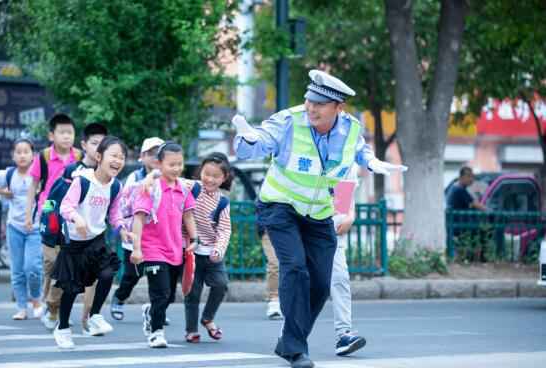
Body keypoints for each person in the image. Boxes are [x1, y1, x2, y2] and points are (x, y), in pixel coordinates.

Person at [231, 69, 407, 368]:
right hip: (280, 206)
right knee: (296, 269)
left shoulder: (350, 128)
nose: (311, 107)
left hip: (318, 213)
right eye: (309, 100)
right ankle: (296, 350)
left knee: (322, 284)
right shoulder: (289, 121)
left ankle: (289, 341)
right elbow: (261, 141)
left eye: (320, 104)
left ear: (338, 107)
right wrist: (248, 139)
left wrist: (372, 162)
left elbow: (358, 150)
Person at [52, 136, 128, 349]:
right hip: (74, 243)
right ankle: (63, 328)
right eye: (113, 156)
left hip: (95, 240)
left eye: (122, 157)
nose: (118, 161)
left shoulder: (116, 186)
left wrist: (122, 229)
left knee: (107, 273)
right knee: (71, 288)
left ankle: (94, 316)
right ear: (99, 156)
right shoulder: (83, 181)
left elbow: (114, 214)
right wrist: (77, 219)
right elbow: (65, 207)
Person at [128, 142, 197, 348]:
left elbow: (188, 215)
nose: (176, 169)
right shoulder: (149, 188)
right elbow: (139, 219)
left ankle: (151, 313)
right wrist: (137, 248)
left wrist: (193, 240)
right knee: (160, 293)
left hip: (176, 248)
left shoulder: (183, 189)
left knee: (169, 295)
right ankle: (157, 332)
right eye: (171, 164)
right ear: (159, 164)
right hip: (152, 249)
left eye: (179, 164)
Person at [24, 113, 83, 329]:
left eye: (70, 133)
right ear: (52, 135)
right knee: (50, 262)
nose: (67, 137)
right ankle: (50, 301)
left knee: (64, 261)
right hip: (48, 210)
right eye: (62, 132)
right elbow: (33, 186)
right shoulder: (44, 157)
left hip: (70, 212)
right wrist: (28, 214)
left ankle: (53, 305)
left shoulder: (79, 157)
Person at [51, 122, 108, 334]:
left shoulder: (109, 176)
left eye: (104, 144)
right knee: (69, 283)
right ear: (84, 145)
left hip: (95, 238)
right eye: (95, 143)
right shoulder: (73, 171)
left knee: (96, 278)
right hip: (71, 237)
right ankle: (55, 314)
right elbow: (61, 203)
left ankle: (88, 320)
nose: (99, 148)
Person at [0, 139, 43, 319]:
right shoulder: (9, 174)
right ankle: (21, 307)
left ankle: (36, 298)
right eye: (18, 152)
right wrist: (5, 193)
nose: (22, 155)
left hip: (35, 227)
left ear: (33, 155)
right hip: (15, 227)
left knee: (32, 267)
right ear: (13, 155)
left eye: (26, 151)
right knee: (17, 269)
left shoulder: (39, 174)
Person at [110, 136, 165, 321]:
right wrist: (124, 231)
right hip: (136, 236)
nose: (155, 157)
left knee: (158, 278)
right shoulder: (134, 177)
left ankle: (156, 311)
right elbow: (125, 205)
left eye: (158, 153)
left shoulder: (168, 177)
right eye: (151, 153)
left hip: (158, 238)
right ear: (142, 156)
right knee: (132, 275)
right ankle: (119, 298)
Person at [183, 152, 232, 343]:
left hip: (212, 253)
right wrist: (155, 176)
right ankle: (191, 330)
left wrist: (219, 250)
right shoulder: (193, 187)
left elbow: (225, 230)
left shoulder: (223, 202)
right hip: (191, 251)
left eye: (216, 176)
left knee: (221, 284)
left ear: (224, 178)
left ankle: (208, 318)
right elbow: (172, 180)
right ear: (200, 172)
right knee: (192, 292)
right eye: (206, 173)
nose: (210, 179)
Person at [330, 173, 366, 356]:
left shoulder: (344, 163)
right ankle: (289, 336)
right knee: (304, 284)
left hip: (334, 233)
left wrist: (350, 216)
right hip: (308, 230)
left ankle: (344, 334)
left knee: (340, 279)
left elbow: (345, 199)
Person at [260, 230, 283, 320]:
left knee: (296, 264)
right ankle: (274, 302)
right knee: (274, 263)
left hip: (295, 226)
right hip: (269, 226)